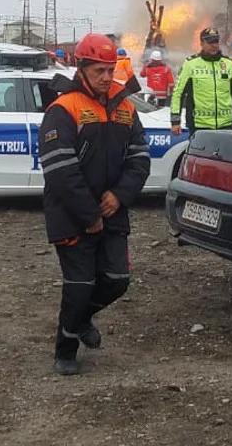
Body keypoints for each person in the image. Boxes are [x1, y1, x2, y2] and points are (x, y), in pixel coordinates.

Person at [38, 33, 151, 375]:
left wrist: (120, 195)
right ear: (82, 68)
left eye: (110, 70)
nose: (106, 77)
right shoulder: (63, 109)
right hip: (72, 215)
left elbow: (140, 158)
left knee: (117, 279)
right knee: (81, 285)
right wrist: (88, 214)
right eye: (99, 70)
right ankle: (66, 348)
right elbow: (60, 169)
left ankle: (82, 319)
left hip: (113, 210)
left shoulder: (125, 108)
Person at [170, 28, 232, 137]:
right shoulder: (190, 64)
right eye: (210, 42)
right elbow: (178, 93)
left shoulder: (229, 64)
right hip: (199, 126)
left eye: (216, 41)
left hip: (225, 126)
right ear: (201, 43)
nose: (214, 45)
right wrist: (175, 121)